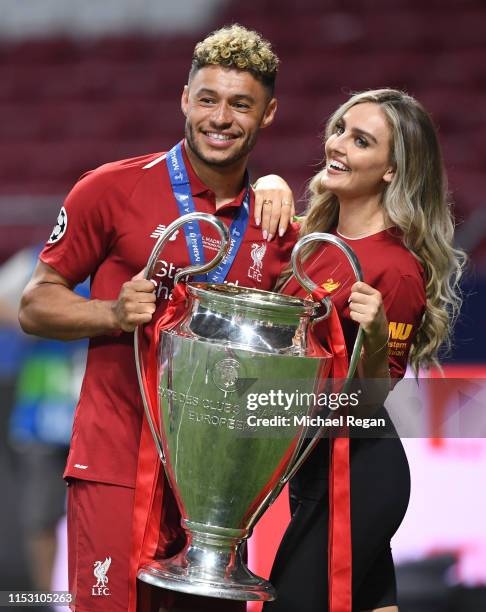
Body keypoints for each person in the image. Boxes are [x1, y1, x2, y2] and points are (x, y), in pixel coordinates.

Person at [18, 25, 297, 612]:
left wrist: (279, 184)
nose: (220, 118)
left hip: (219, 488)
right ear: (184, 99)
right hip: (117, 460)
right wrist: (112, 312)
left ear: (268, 114)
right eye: (208, 99)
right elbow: (35, 303)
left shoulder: (276, 224)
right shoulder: (110, 189)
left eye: (241, 104)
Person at [255, 89, 465, 612]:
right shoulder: (318, 242)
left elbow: (368, 402)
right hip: (317, 474)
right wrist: (268, 181)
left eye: (362, 140)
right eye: (341, 129)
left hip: (355, 474)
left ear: (392, 171)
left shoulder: (394, 268)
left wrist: (372, 338)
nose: (339, 144)